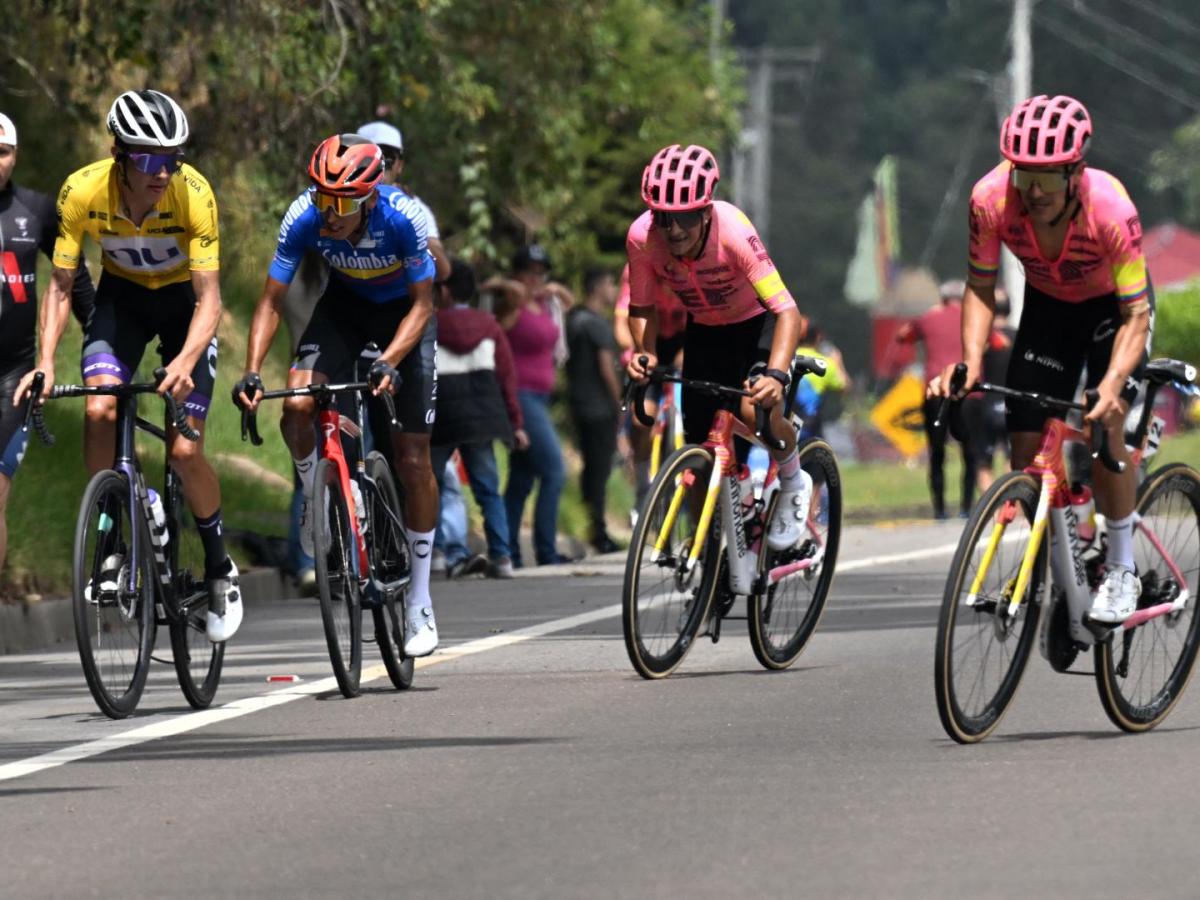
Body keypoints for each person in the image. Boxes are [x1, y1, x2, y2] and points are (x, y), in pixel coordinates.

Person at [16, 90, 241, 641]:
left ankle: (218, 567)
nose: (162, 172)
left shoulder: (194, 194)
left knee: (184, 450)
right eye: (148, 159)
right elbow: (63, 285)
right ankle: (116, 536)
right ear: (118, 153)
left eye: (172, 159)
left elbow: (211, 300)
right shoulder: (82, 190)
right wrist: (45, 360)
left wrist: (187, 359)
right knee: (97, 410)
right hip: (123, 304)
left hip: (183, 308)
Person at [930, 94, 1155, 624]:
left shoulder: (1111, 208)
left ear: (1077, 172)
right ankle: (1064, 553)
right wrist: (970, 361)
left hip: (1113, 316)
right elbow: (981, 288)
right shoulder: (989, 199)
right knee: (1028, 449)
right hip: (1049, 310)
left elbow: (1137, 315)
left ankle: (1122, 567)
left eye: (1049, 178)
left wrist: (1113, 381)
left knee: (1107, 424)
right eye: (1023, 175)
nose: (1034, 192)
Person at [234, 133, 440, 656]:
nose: (329, 213)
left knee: (413, 457)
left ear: (371, 197)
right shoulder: (303, 215)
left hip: (404, 318)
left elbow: (422, 306)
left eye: (342, 203)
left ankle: (419, 600)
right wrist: (253, 370)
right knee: (298, 405)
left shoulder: (404, 218)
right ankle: (315, 497)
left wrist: (390, 360)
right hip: (344, 307)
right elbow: (271, 300)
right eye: (322, 197)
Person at [625, 144, 810, 551]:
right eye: (663, 217)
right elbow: (642, 307)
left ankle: (795, 477)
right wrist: (646, 351)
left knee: (753, 409)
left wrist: (777, 375)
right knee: (698, 446)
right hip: (706, 330)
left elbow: (787, 312)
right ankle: (706, 550)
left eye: (686, 217)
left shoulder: (733, 232)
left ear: (706, 211)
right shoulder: (642, 237)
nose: (673, 230)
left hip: (756, 323)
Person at [0, 112, 96, 578]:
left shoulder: (35, 210)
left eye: (2, 152)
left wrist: (101, 338)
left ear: (15, 157)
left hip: (12, 377)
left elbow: (72, 278)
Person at [431, 258, 528, 579]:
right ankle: (502, 557)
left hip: (442, 416)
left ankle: (438, 553)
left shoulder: (429, 323)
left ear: (443, 290)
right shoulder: (489, 325)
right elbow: (507, 378)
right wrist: (515, 423)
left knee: (429, 485)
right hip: (482, 419)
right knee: (488, 490)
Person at [485, 245, 574, 567]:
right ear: (517, 273)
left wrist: (553, 288)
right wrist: (515, 287)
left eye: (541, 272)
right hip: (519, 396)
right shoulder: (512, 303)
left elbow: (569, 302)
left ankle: (508, 552)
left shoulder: (545, 305)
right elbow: (491, 286)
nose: (536, 278)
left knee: (523, 477)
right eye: (529, 271)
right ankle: (547, 551)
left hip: (540, 397)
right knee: (554, 471)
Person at [895, 279, 980, 518]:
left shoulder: (929, 318)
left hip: (935, 390)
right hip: (970, 391)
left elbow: (902, 337)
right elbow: (998, 342)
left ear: (942, 299)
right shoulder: (973, 317)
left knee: (937, 451)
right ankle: (966, 507)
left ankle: (940, 510)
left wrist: (928, 315)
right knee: (970, 452)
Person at [613, 261, 687, 510]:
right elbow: (622, 322)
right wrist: (635, 351)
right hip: (647, 340)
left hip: (681, 341)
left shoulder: (691, 268)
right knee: (641, 420)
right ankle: (643, 483)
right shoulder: (639, 268)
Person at [566, 267, 623, 554]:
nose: (614, 290)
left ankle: (591, 523)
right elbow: (606, 366)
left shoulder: (574, 318)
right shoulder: (597, 324)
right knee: (599, 470)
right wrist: (619, 403)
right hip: (599, 406)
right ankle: (598, 531)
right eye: (611, 284)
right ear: (599, 287)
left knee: (591, 468)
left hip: (578, 402)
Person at [355, 120, 450, 283]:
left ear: (399, 165)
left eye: (388, 158)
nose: (380, 166)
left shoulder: (415, 208)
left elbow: (443, 270)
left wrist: (406, 217)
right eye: (368, 158)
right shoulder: (335, 201)